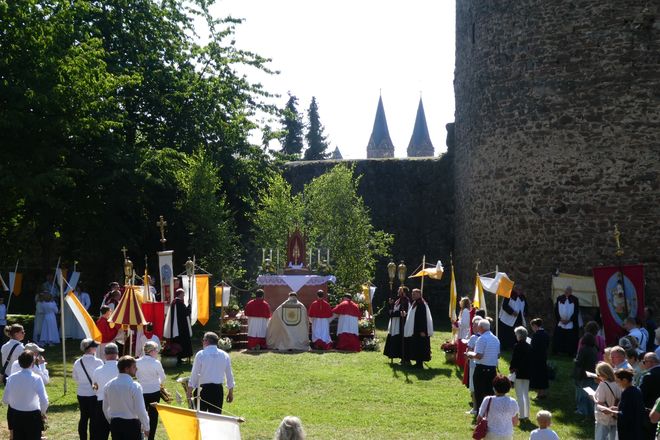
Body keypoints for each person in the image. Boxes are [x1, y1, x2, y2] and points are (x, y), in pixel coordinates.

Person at [3, 351, 49, 440]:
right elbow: (44, 400)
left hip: (16, 416)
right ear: (32, 363)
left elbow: (5, 400)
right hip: (33, 416)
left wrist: (18, 402)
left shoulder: (11, 378)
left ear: (19, 363)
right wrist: (42, 412)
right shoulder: (36, 378)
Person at [103, 355, 150, 440]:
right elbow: (140, 409)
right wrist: (147, 427)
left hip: (115, 423)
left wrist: (111, 421)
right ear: (126, 369)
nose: (136, 369)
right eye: (134, 367)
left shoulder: (108, 385)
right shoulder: (134, 386)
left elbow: (105, 407)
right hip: (131, 425)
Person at [188, 332, 235, 414]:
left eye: (203, 340)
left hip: (202, 390)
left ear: (206, 341)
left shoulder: (201, 354)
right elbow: (229, 375)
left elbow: (194, 374)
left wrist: (189, 391)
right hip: (217, 391)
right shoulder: (225, 355)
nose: (202, 342)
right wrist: (230, 392)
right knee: (215, 420)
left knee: (200, 419)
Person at [73, 338, 104, 440]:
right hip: (94, 393)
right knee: (94, 419)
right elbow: (100, 378)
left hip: (81, 393)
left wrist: (83, 384)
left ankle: (83, 438)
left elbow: (75, 378)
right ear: (90, 348)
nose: (96, 347)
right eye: (94, 346)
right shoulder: (98, 362)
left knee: (83, 418)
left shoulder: (77, 362)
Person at [468, 319, 500, 410]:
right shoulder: (496, 339)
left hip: (481, 369)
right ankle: (489, 413)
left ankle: (480, 414)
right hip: (492, 370)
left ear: (481, 328)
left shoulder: (481, 338)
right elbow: (498, 355)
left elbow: (479, 356)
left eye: (478, 326)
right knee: (490, 393)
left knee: (479, 394)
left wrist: (470, 354)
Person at [136, 341, 166, 440]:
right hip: (154, 391)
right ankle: (151, 437)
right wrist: (157, 382)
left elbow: (136, 375)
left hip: (142, 391)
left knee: (141, 414)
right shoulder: (156, 362)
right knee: (153, 416)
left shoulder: (137, 362)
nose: (157, 352)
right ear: (152, 351)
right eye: (156, 350)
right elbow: (163, 377)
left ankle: (140, 436)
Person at [604, 368, 645, 440]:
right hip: (637, 427)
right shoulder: (636, 390)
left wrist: (611, 411)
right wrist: (617, 408)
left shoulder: (627, 393)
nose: (616, 383)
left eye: (617, 381)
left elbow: (625, 415)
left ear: (625, 380)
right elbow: (632, 408)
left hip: (629, 429)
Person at [476, 374, 519, 440]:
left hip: (491, 434)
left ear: (494, 387)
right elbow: (515, 422)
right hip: (507, 435)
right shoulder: (513, 401)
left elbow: (479, 418)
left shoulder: (488, 399)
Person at [92, 343, 120, 440]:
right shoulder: (122, 369)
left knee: (101, 434)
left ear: (105, 354)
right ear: (117, 354)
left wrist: (99, 394)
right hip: (119, 403)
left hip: (102, 402)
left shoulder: (98, 370)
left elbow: (94, 388)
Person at [403, 288, 433, 368]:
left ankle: (419, 364)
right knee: (416, 346)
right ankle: (417, 362)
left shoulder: (421, 304)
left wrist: (422, 330)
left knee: (420, 346)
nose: (413, 295)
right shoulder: (415, 303)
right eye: (412, 294)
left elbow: (422, 318)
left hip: (420, 330)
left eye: (415, 294)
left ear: (419, 294)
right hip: (415, 329)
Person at [593, 361, 621, 440]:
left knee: (600, 437)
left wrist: (593, 397)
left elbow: (600, 403)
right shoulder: (618, 383)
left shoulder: (603, 385)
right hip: (615, 416)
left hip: (604, 417)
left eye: (598, 375)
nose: (598, 377)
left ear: (603, 374)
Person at [163, 288, 193, 363]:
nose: (184, 296)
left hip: (175, 327)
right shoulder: (179, 303)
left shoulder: (174, 302)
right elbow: (186, 313)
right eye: (183, 294)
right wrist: (189, 305)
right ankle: (181, 356)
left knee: (177, 341)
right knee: (182, 341)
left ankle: (179, 357)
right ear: (180, 294)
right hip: (181, 327)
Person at [509, 326, 532, 420]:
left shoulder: (517, 346)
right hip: (527, 372)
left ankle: (522, 415)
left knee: (519, 394)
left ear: (519, 335)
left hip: (519, 372)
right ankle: (526, 414)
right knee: (525, 394)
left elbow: (515, 359)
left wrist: (512, 368)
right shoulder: (529, 346)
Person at [574, 332, 598, 418]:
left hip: (582, 374)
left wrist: (575, 361)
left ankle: (582, 410)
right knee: (590, 393)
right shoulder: (594, 349)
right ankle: (590, 411)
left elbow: (579, 362)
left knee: (582, 394)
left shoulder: (583, 349)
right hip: (591, 373)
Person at [383, 286, 410, 362]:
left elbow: (404, 313)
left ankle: (404, 358)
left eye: (399, 290)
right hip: (395, 322)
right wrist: (390, 304)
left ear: (403, 292)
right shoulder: (398, 300)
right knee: (395, 338)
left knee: (401, 339)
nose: (398, 292)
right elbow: (393, 310)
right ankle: (395, 354)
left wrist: (393, 313)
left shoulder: (406, 301)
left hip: (401, 323)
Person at [553, 286, 580, 356]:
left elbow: (576, 311)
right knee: (559, 337)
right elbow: (556, 310)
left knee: (570, 338)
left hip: (570, 323)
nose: (566, 292)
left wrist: (570, 320)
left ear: (571, 292)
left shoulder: (575, 299)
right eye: (565, 291)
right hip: (561, 322)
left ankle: (570, 352)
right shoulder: (559, 298)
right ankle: (558, 351)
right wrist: (560, 319)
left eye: (568, 291)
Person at [639, 352, 660, 439]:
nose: (643, 364)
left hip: (649, 412)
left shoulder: (648, 376)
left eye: (644, 362)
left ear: (651, 362)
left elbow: (641, 395)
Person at [529, 318, 550, 400]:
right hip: (543, 357)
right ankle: (543, 393)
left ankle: (539, 394)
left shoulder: (536, 335)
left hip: (536, 358)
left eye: (532, 327)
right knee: (543, 375)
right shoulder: (545, 334)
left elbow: (533, 347)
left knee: (538, 376)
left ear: (535, 325)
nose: (532, 329)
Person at [465, 316, 483, 415]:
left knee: (473, 387)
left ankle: (475, 408)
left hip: (474, 364)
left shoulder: (473, 337)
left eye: (474, 325)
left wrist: (467, 355)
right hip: (484, 365)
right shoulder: (489, 337)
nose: (472, 326)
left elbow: (469, 351)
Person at [455, 296, 472, 369]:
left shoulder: (465, 311)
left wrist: (457, 323)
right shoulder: (465, 311)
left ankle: (462, 363)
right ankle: (461, 363)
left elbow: (465, 323)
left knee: (462, 348)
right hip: (463, 332)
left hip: (464, 333)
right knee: (460, 348)